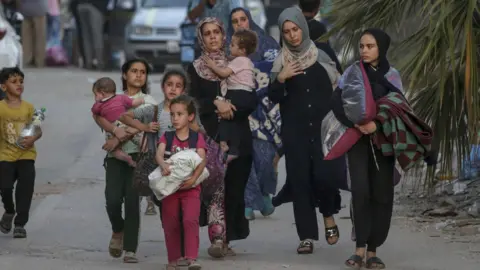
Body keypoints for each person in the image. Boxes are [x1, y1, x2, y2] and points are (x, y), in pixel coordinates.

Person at [268, 7, 346, 254]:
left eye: (295, 29)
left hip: (324, 130)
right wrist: (281, 78)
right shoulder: (281, 62)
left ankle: (328, 214)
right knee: (300, 181)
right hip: (295, 132)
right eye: (287, 32)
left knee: (324, 176)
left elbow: (341, 84)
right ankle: (306, 236)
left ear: (303, 26)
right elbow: (272, 97)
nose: (292, 35)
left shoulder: (323, 54)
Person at [188, 17, 257, 258]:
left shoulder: (238, 61)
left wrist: (232, 106)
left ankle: (228, 237)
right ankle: (217, 238)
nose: (213, 37)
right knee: (214, 188)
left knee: (235, 190)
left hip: (238, 135)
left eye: (216, 32)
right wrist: (216, 103)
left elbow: (251, 98)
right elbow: (192, 101)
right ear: (201, 38)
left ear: (224, 34)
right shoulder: (195, 68)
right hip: (209, 136)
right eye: (207, 34)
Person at [331, 29, 399, 269]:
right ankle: (359, 248)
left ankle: (373, 250)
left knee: (381, 194)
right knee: (360, 191)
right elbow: (336, 102)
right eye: (361, 46)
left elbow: (398, 107)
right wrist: (356, 125)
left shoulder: (392, 76)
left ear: (381, 47)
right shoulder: (351, 73)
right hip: (357, 141)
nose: (364, 51)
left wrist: (376, 122)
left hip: (383, 142)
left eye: (370, 46)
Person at [94, 59, 158, 263]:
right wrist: (114, 131)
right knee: (112, 200)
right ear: (124, 75)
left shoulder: (149, 101)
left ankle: (130, 249)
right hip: (114, 158)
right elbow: (97, 117)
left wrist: (118, 137)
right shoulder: (112, 98)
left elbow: (142, 124)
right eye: (134, 71)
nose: (139, 75)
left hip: (139, 157)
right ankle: (117, 230)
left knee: (132, 202)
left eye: (143, 72)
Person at [225, 7, 282, 220]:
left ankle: (265, 194)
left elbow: (276, 73)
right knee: (244, 158)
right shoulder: (227, 48)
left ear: (250, 20)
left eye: (243, 19)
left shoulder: (268, 43)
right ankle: (248, 202)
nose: (239, 23)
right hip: (241, 111)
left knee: (265, 158)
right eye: (235, 20)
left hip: (267, 110)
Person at [156, 95, 206, 270]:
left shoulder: (196, 138)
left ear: (190, 116)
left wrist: (193, 180)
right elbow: (159, 154)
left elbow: (202, 160)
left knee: (190, 220)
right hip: (170, 188)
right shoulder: (167, 137)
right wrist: (162, 164)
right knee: (170, 223)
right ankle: (173, 259)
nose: (175, 118)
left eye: (180, 114)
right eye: (172, 114)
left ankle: (191, 258)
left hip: (191, 188)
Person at [203, 28, 257, 163]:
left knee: (224, 115)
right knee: (236, 121)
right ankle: (233, 149)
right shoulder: (247, 62)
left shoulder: (240, 60)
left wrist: (211, 65)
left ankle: (224, 143)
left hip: (239, 93)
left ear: (242, 50)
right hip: (248, 96)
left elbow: (223, 73)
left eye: (232, 45)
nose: (229, 47)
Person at [0, 67, 43, 238]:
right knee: (5, 188)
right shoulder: (1, 108)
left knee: (25, 190)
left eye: (21, 81)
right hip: (5, 156)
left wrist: (33, 138)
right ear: (3, 87)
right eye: (14, 81)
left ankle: (20, 224)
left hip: (26, 155)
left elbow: (38, 129)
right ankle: (9, 211)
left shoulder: (29, 108)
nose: (19, 85)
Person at [91, 77, 153, 167]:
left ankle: (128, 160)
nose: (95, 98)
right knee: (142, 139)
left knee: (114, 150)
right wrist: (143, 100)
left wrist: (116, 133)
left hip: (112, 128)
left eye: (95, 95)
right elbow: (134, 102)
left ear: (102, 93)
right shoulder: (121, 98)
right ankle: (145, 153)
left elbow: (95, 115)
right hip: (125, 123)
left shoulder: (98, 105)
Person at [298, 0, 342, 73]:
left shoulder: (289, 26)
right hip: (314, 73)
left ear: (299, 5)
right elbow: (327, 53)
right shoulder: (319, 28)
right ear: (317, 8)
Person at [76, 0, 109, 69]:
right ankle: (100, 62)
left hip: (81, 5)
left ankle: (89, 62)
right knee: (97, 35)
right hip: (96, 6)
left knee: (86, 36)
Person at [18, 0, 48, 67]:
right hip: (40, 9)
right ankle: (39, 61)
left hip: (25, 8)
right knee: (40, 37)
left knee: (26, 37)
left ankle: (27, 59)